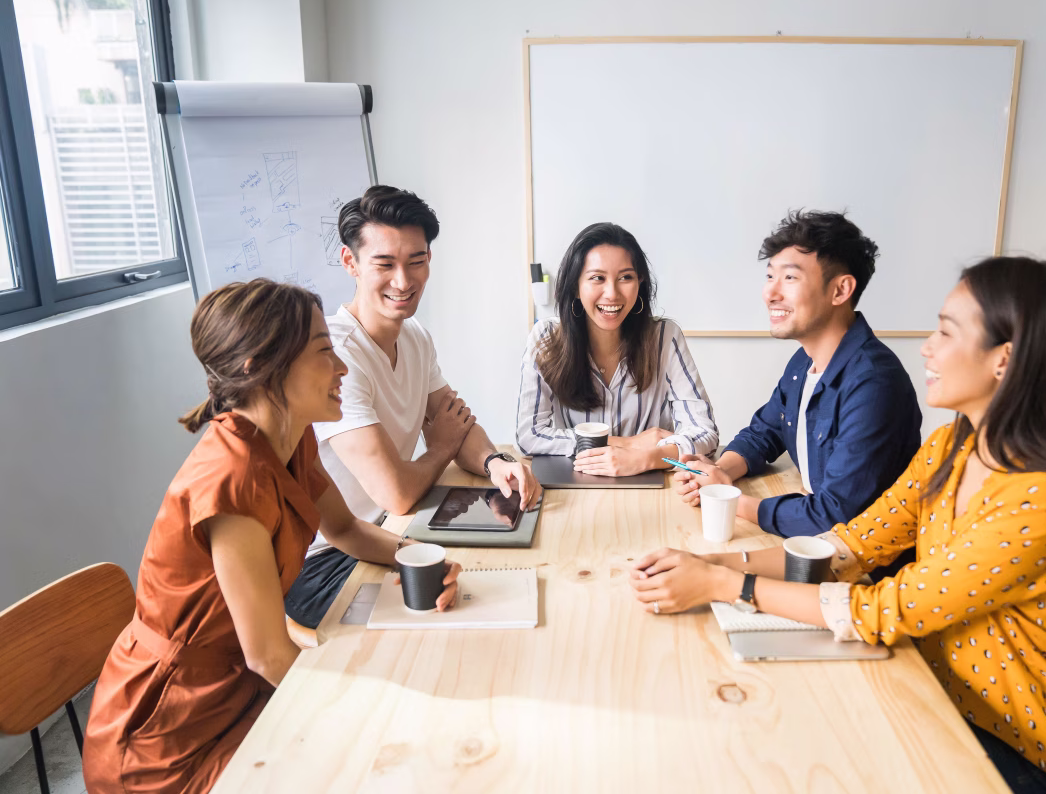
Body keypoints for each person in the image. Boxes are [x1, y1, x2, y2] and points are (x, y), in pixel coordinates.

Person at [629, 257, 1046, 794]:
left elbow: (886, 609)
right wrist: (713, 562)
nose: (927, 347)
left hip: (1038, 756)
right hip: (941, 697)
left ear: (1004, 359)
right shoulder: (950, 450)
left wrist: (729, 586)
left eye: (946, 331)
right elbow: (848, 547)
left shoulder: (1043, 496)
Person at [83, 280, 461, 793]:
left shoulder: (289, 435)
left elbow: (346, 529)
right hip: (169, 734)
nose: (343, 369)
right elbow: (267, 653)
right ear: (260, 367)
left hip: (240, 692)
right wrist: (368, 711)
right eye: (325, 352)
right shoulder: (233, 477)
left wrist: (423, 559)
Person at [285, 186, 541, 630]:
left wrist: (494, 460)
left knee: (513, 569)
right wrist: (439, 450)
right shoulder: (335, 358)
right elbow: (396, 492)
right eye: (384, 264)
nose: (403, 281)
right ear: (351, 264)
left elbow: (454, 421)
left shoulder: (414, 334)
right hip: (330, 561)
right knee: (467, 609)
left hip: (398, 530)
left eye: (416, 262)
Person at [671, 210, 921, 539]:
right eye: (770, 276)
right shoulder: (804, 363)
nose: (770, 293)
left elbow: (834, 514)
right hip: (816, 543)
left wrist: (729, 499)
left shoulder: (874, 383)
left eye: (789, 278)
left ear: (840, 290)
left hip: (861, 568)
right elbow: (764, 433)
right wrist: (718, 472)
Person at [515, 222, 718, 475]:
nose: (612, 293)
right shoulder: (545, 337)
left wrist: (647, 458)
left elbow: (705, 432)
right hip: (575, 485)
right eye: (597, 278)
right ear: (575, 286)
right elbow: (529, 436)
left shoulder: (665, 337)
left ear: (639, 283)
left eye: (625, 277)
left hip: (654, 486)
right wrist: (627, 444)